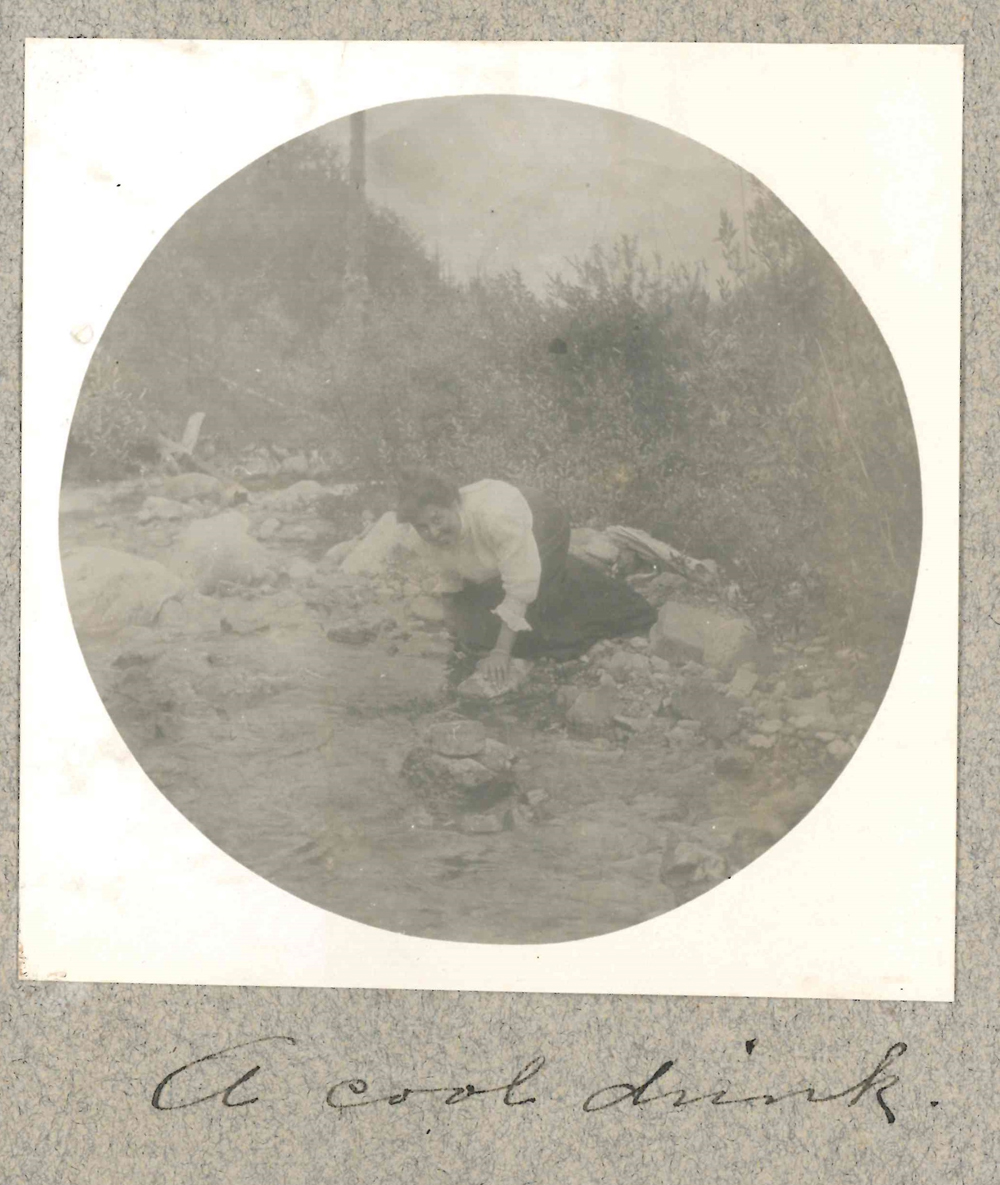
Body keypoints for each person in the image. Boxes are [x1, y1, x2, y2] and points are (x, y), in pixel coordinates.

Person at [395, 467, 657, 690]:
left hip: (542, 522)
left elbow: (519, 589)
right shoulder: (422, 539)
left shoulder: (495, 516)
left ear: (453, 503)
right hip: (507, 545)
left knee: (537, 624)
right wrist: (453, 625)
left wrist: (501, 652)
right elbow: (450, 574)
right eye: (423, 527)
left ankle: (607, 597)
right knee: (474, 633)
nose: (434, 532)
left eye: (437, 519)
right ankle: (550, 570)